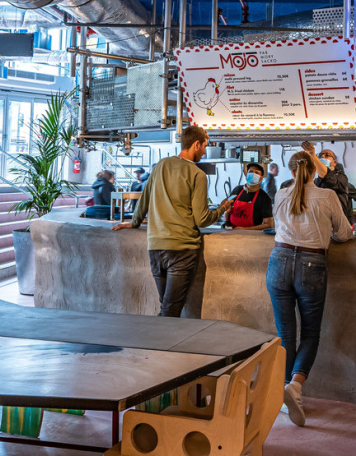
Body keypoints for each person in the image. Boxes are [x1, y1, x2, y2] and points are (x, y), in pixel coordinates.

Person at [267, 151, 354, 427]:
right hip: (311, 264)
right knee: (311, 333)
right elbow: (344, 233)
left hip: (278, 262)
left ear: (292, 172)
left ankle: (284, 394)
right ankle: (294, 386)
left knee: (285, 334)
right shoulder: (327, 197)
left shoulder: (281, 195)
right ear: (314, 172)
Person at [112, 126, 231, 318]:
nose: (204, 151)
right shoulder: (197, 175)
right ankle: (152, 346)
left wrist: (134, 223)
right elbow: (202, 219)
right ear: (196, 144)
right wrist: (222, 209)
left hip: (156, 247)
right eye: (204, 146)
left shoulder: (161, 165)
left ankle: (157, 345)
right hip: (181, 250)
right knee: (171, 310)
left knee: (167, 306)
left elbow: (144, 200)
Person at [300, 142, 352, 223]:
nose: (323, 156)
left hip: (338, 225)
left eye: (327, 155)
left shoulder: (341, 178)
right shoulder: (316, 181)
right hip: (320, 223)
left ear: (334, 163)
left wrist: (313, 155)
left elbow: (327, 177)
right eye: (320, 155)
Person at [224, 163, 274, 230]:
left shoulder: (264, 198)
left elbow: (268, 224)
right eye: (250, 171)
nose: (253, 174)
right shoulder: (236, 190)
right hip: (232, 232)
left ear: (261, 178)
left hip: (251, 236)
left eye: (256, 173)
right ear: (246, 174)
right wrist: (226, 222)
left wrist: (245, 229)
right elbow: (226, 208)